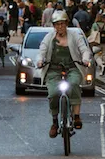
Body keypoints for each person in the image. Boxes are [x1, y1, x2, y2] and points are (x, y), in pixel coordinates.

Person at [37, 10, 92, 138]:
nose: (60, 27)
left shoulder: (74, 36)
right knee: (53, 93)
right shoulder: (49, 38)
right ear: (54, 26)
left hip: (72, 67)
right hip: (53, 70)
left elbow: (84, 50)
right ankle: (55, 122)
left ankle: (76, 116)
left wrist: (85, 59)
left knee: (73, 84)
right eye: (57, 24)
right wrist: (40, 60)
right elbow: (42, 50)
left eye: (62, 24)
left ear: (67, 24)